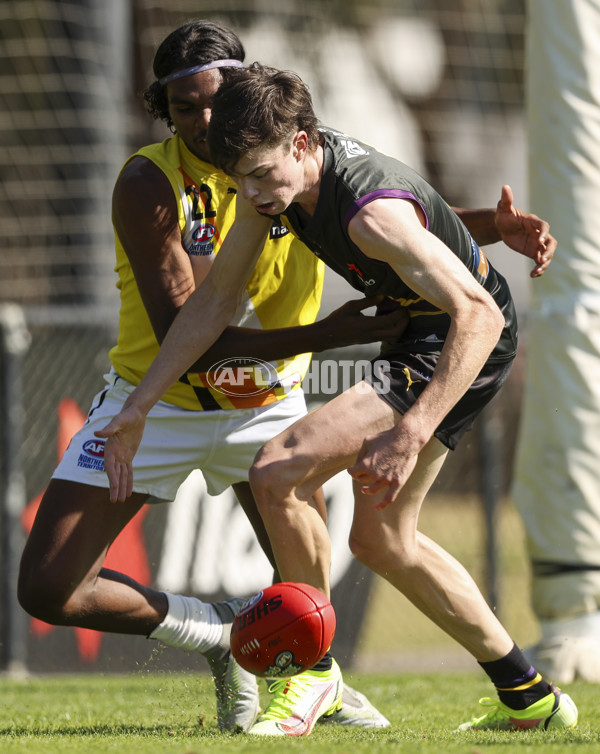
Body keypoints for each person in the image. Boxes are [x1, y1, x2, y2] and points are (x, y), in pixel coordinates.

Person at [96, 63, 579, 735]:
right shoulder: (275, 183)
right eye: (240, 180)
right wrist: (138, 406)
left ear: (300, 142)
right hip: (427, 330)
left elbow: (481, 316)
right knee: (383, 541)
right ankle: (530, 696)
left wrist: (411, 432)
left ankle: (310, 676)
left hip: (458, 340)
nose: (254, 195)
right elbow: (210, 304)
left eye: (262, 176)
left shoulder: (369, 215)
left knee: (278, 468)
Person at [17, 23, 403, 735]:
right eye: (183, 106)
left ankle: (316, 682)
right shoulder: (147, 180)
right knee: (46, 588)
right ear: (163, 107)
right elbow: (185, 340)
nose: (201, 121)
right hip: (155, 401)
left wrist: (483, 229)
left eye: (213, 103)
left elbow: (384, 213)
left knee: (304, 585)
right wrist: (333, 334)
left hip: (264, 406)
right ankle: (224, 635)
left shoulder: (290, 151)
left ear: (242, 95)